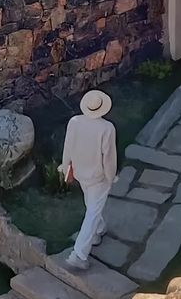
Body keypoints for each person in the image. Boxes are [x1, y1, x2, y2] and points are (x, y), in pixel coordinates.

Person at [59, 90, 118, 270]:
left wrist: (65, 167)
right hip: (97, 176)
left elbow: (67, 147)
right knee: (92, 210)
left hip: (79, 172)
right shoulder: (107, 128)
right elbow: (108, 157)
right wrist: (111, 177)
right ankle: (78, 254)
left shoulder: (74, 122)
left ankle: (99, 230)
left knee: (91, 203)